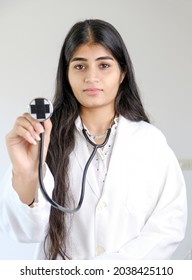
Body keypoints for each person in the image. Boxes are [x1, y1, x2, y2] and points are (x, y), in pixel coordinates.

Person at [0, 19, 187, 260]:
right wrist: (26, 172)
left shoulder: (150, 142)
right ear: (66, 74)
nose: (91, 77)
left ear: (123, 73)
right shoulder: (42, 138)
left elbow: (168, 226)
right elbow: (25, 232)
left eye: (104, 65)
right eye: (79, 66)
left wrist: (110, 269)